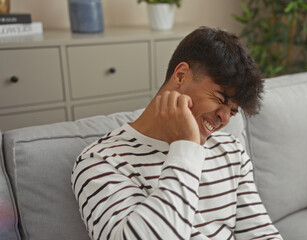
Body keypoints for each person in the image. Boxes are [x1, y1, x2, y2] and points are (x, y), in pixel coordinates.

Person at [71, 26, 283, 240]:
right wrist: (186, 148)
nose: (225, 118)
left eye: (233, 111)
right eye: (220, 99)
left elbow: (262, 235)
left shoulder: (231, 151)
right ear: (181, 76)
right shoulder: (101, 162)